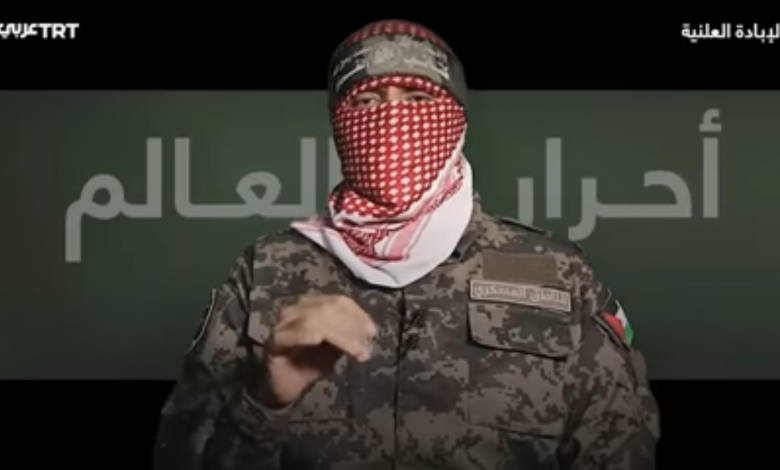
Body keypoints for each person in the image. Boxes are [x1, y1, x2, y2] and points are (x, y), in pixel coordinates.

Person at [154, 19, 660, 470]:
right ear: (339, 124)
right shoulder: (264, 272)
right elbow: (181, 455)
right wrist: (266, 402)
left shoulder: (557, 273)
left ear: (456, 120)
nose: (393, 119)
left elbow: (622, 448)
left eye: (417, 99)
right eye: (367, 101)